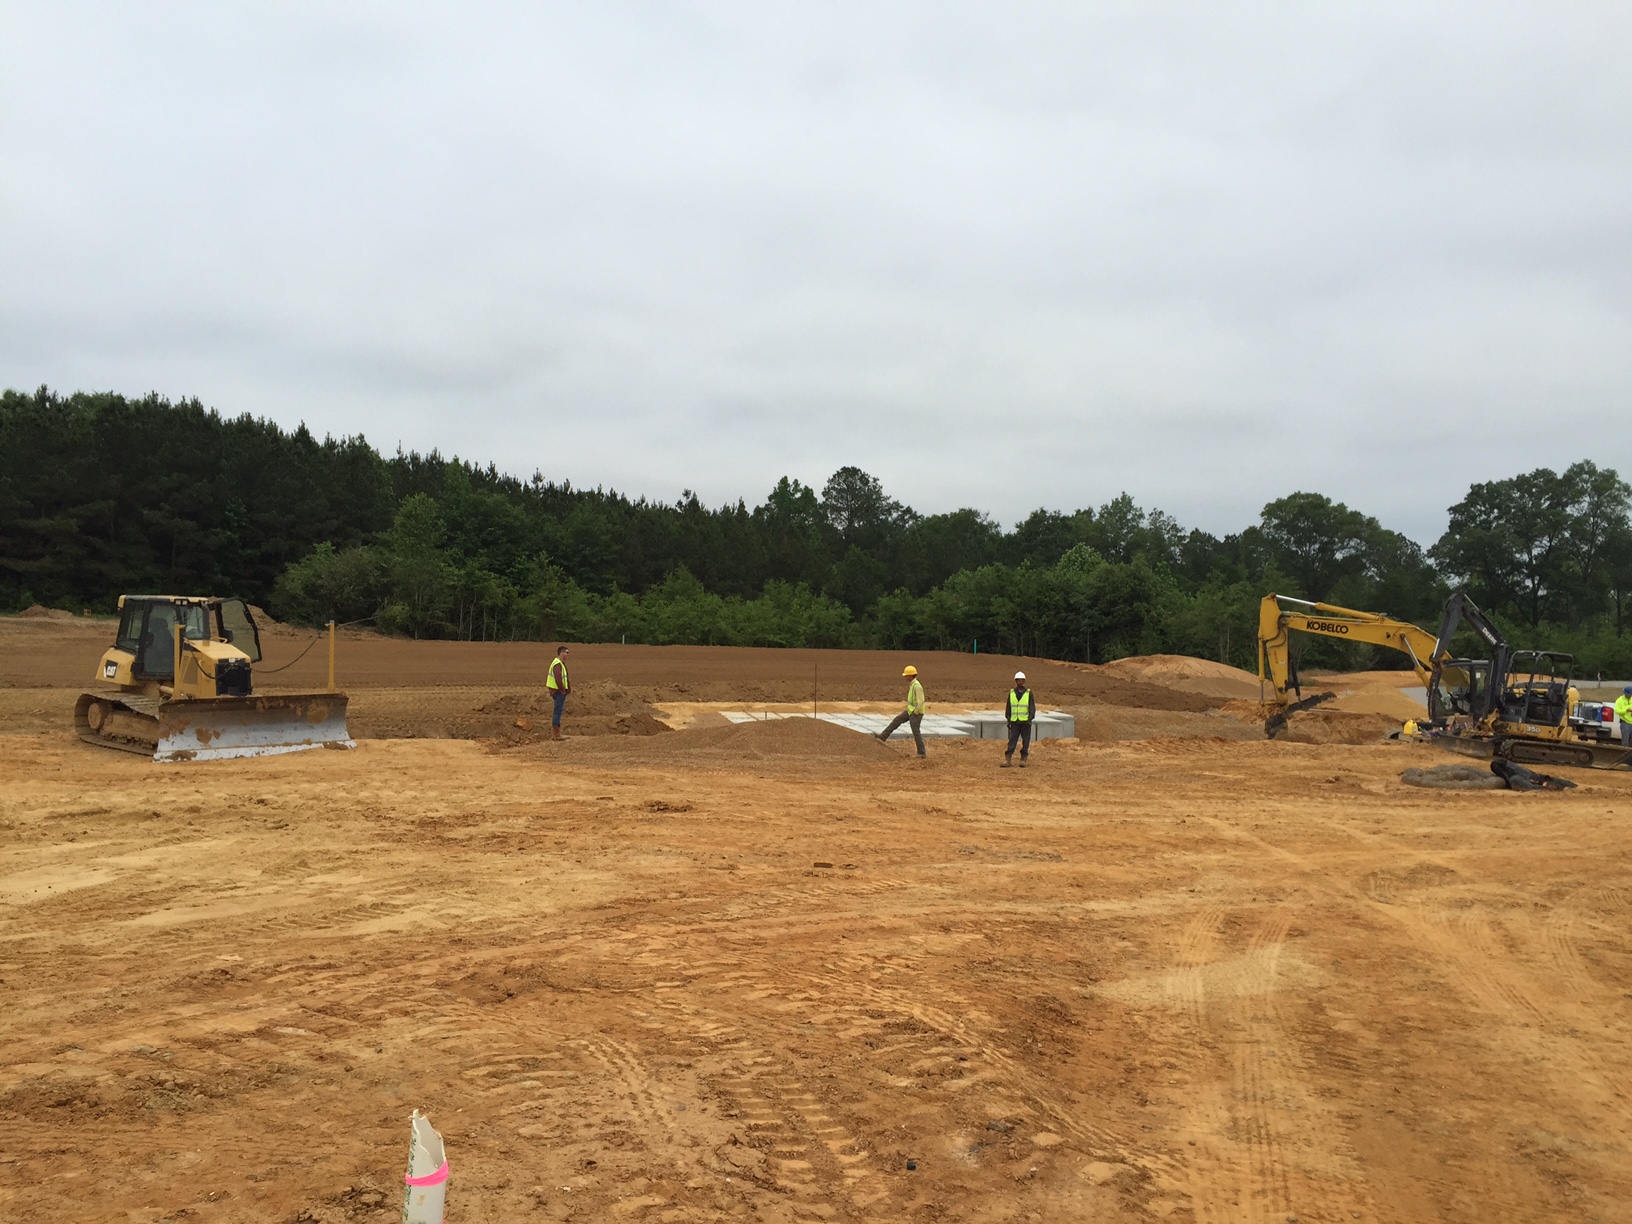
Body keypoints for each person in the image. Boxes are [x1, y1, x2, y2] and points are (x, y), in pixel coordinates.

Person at [878, 665, 927, 758]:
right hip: (910, 711)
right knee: (897, 720)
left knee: (915, 731)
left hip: (916, 713)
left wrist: (915, 712)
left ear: (910, 675)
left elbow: (921, 701)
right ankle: (883, 737)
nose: (905, 677)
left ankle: (922, 753)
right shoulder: (913, 685)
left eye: (906, 675)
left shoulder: (917, 686)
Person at [1002, 671, 1035, 768]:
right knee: (1012, 741)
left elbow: (1032, 707)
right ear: (1016, 681)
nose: (1020, 682)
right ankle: (1008, 759)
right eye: (1018, 680)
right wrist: (1008, 719)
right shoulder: (1012, 693)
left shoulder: (1029, 693)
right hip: (1015, 722)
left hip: (1025, 722)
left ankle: (1023, 759)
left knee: (1026, 741)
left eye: (1022, 680)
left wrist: (1030, 718)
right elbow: (1009, 706)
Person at [546, 645, 571, 740]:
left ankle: (557, 734)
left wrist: (568, 688)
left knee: (558, 711)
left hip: (558, 690)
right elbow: (558, 678)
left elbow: (564, 678)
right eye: (566, 652)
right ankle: (557, 735)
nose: (568, 655)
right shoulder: (557, 664)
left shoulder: (560, 663)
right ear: (561, 653)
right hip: (558, 691)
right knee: (557, 712)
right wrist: (562, 690)